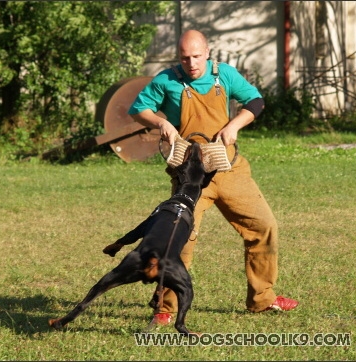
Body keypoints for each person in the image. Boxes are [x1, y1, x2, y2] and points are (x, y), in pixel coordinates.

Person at [128, 30, 298, 326]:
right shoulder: (167, 80)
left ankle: (262, 298)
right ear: (177, 57)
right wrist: (162, 122)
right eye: (184, 57)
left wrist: (235, 125)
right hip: (190, 179)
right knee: (181, 242)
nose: (191, 63)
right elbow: (137, 110)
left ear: (207, 52)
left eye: (196, 56)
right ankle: (165, 308)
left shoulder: (225, 75)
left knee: (264, 226)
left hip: (229, 168)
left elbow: (255, 102)